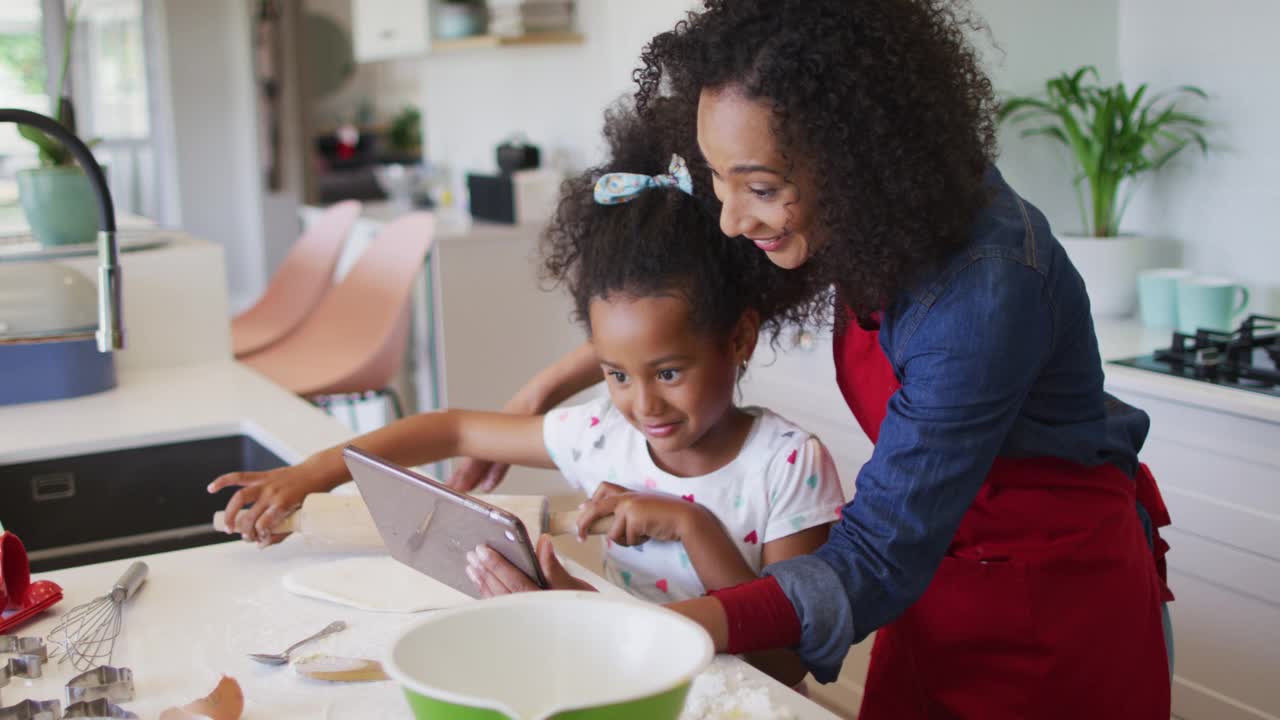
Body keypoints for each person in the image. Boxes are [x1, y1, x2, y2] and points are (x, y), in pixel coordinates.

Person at [458, 1, 1176, 717]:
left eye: (762, 189)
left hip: (1045, 611)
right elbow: (695, 312)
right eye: (717, 177)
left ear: (856, 162)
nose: (733, 220)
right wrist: (544, 390)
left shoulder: (983, 290)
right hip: (935, 580)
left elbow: (874, 557)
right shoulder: (869, 211)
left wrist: (634, 632)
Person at [209, 105, 845, 686]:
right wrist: (311, 475)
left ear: (737, 338)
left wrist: (693, 526)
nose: (644, 405)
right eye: (616, 374)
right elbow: (452, 429)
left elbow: (784, 665)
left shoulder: (788, 466)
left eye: (669, 373)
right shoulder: (605, 435)